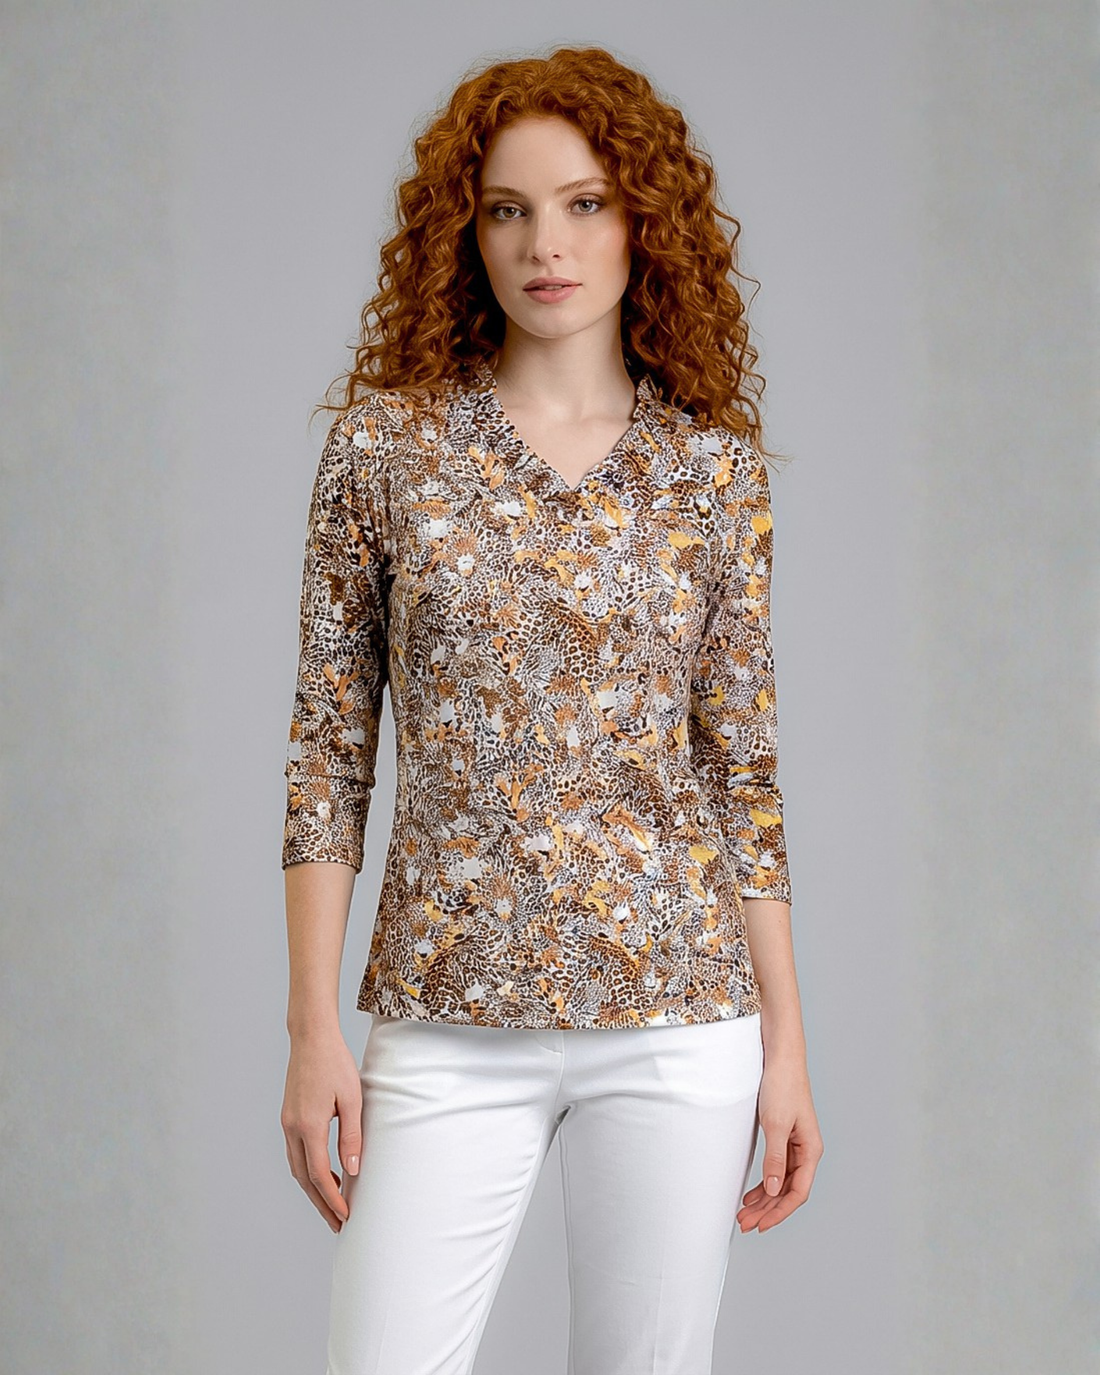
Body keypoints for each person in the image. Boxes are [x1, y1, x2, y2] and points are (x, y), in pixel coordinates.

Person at [279, 44, 823, 1375]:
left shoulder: (713, 470)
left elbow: (741, 768)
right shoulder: (385, 448)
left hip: (679, 1014)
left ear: (644, 219)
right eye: (508, 210)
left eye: (584, 203)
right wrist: (311, 1031)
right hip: (445, 1012)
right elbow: (327, 757)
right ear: (465, 233)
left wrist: (788, 1047)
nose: (546, 245)